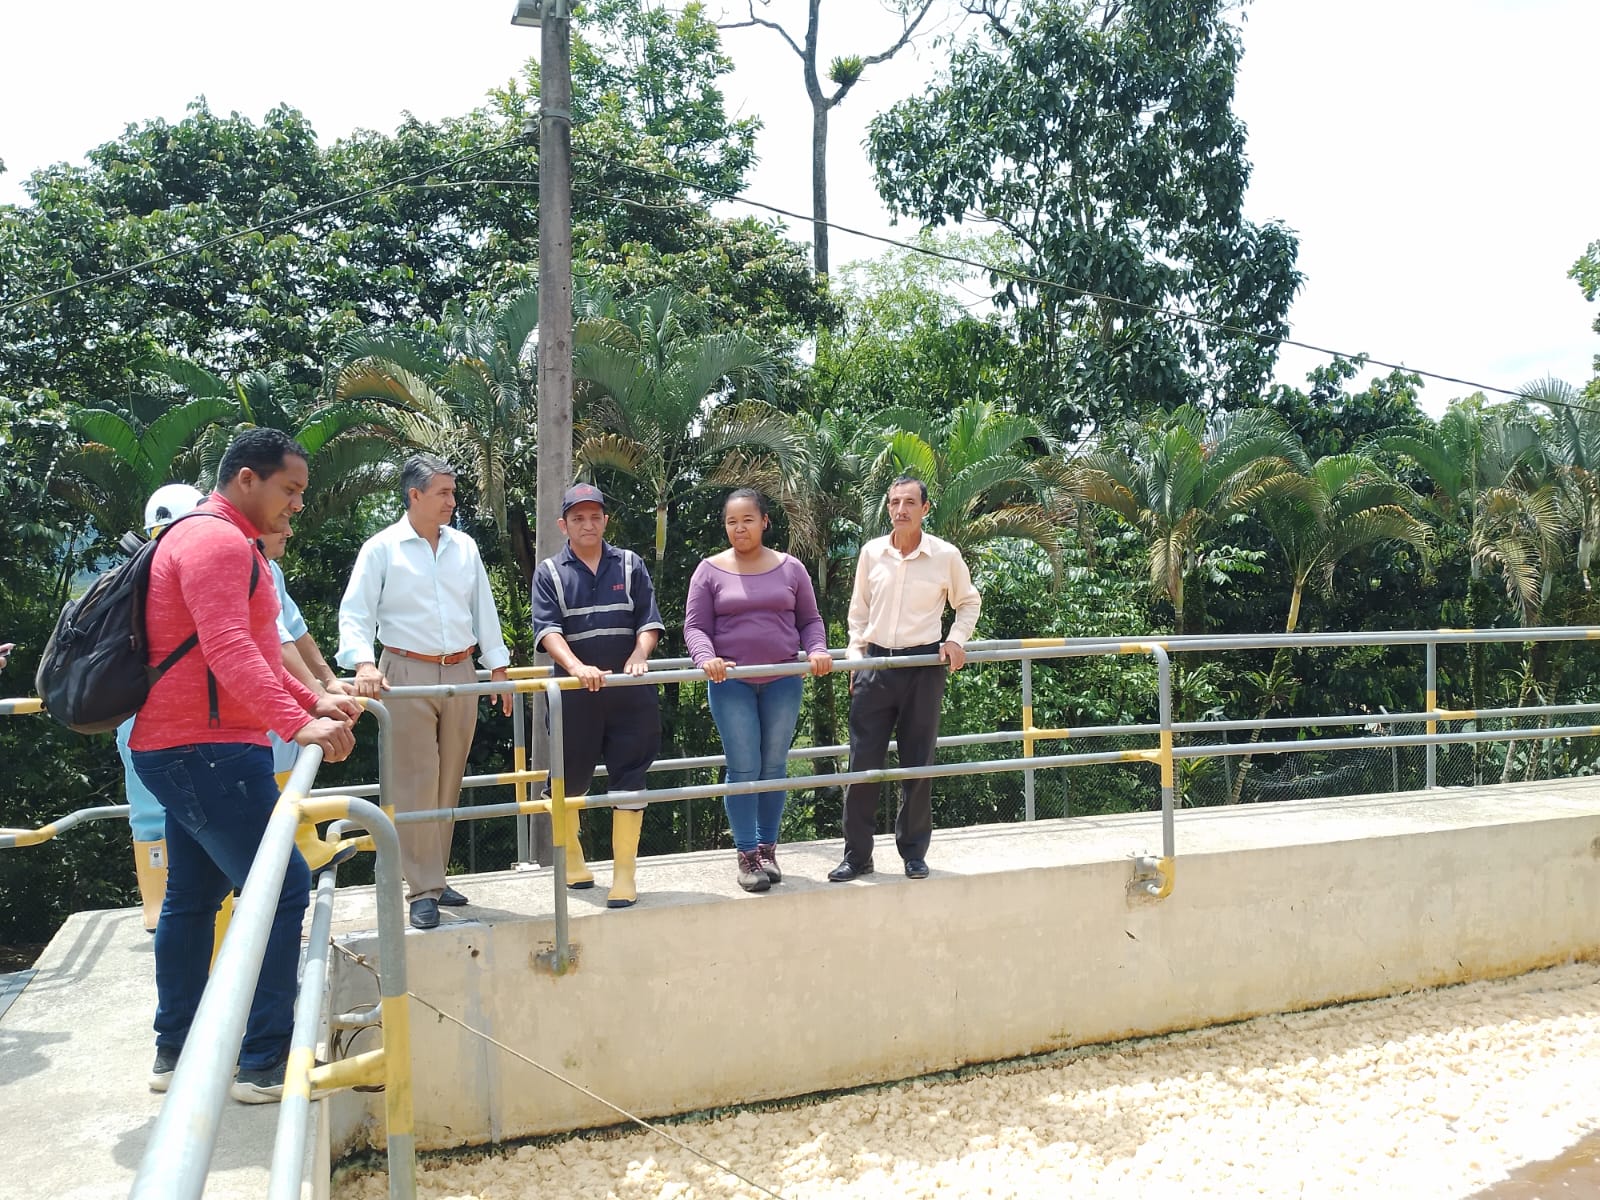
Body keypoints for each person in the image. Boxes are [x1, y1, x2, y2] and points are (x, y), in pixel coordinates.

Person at [129, 429, 362, 1103]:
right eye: (290, 490)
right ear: (246, 480)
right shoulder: (218, 542)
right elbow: (229, 649)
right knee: (281, 888)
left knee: (192, 897)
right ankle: (262, 1063)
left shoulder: (218, 539)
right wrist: (299, 723)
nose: (297, 505)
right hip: (206, 749)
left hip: (192, 746)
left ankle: (178, 1051)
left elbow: (255, 654)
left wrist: (312, 700)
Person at [337, 453, 513, 931]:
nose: (452, 501)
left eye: (452, 492)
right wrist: (363, 663)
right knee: (415, 781)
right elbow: (356, 612)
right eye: (443, 492)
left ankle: (434, 874)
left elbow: (483, 607)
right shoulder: (381, 549)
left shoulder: (464, 547)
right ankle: (422, 888)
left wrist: (498, 667)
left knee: (448, 779)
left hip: (461, 670)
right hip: (405, 671)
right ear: (414, 495)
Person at [830, 475, 981, 883]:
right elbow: (858, 613)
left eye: (910, 502)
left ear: (925, 509)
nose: (901, 509)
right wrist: (856, 660)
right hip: (875, 664)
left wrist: (956, 640)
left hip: (923, 667)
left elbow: (968, 602)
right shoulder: (871, 553)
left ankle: (914, 853)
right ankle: (857, 856)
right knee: (862, 766)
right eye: (895, 502)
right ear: (888, 507)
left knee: (918, 763)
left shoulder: (945, 555)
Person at [684, 489, 831, 892]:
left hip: (783, 678)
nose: (739, 528)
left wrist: (817, 650)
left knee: (774, 766)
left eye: (747, 519)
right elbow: (695, 627)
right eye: (732, 521)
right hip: (730, 682)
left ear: (765, 522)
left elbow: (810, 621)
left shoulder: (791, 568)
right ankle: (747, 854)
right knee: (744, 766)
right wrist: (706, 658)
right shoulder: (708, 571)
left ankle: (768, 849)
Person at [531, 483, 664, 909]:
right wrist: (576, 668)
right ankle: (572, 858)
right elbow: (547, 631)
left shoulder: (630, 564)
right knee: (568, 779)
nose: (587, 525)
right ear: (563, 525)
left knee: (631, 779)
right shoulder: (549, 572)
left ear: (606, 520)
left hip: (629, 693)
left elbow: (648, 621)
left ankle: (624, 875)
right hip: (575, 694)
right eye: (578, 518)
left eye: (594, 517)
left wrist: (640, 655)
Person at [118, 483, 207, 932]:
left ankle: (158, 902)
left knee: (149, 806)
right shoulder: (192, 571)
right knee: (187, 804)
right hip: (176, 709)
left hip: (133, 709)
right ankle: (168, 899)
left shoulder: (128, 576)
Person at [260, 525, 357, 873]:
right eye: (278, 520)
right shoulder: (239, 565)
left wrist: (327, 684)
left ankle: (300, 843)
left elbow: (294, 630)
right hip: (206, 719)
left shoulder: (268, 568)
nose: (289, 529)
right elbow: (275, 642)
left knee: (286, 759)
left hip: (265, 701)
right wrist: (316, 698)